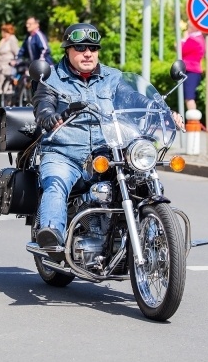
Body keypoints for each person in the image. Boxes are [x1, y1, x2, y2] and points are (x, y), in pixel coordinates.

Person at [33, 23, 183, 248]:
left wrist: (163, 111)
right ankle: (52, 234)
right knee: (56, 182)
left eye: (93, 48)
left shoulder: (112, 77)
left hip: (108, 151)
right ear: (67, 50)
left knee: (141, 176)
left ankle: (155, 232)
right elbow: (43, 108)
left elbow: (133, 98)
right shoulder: (51, 80)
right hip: (65, 153)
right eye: (80, 47)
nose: (87, 53)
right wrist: (51, 117)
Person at [11, 16, 53, 107]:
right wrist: (16, 59)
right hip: (35, 66)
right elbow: (22, 50)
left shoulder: (38, 35)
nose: (27, 25)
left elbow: (45, 49)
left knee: (43, 88)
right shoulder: (29, 37)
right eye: (27, 23)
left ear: (36, 25)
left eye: (29, 24)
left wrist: (39, 63)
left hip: (44, 65)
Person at [181, 21, 205, 111]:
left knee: (189, 97)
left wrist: (184, 38)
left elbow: (181, 49)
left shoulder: (193, 39)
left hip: (191, 71)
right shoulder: (200, 38)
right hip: (194, 71)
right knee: (190, 97)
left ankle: (193, 123)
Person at [0, 23, 19, 101]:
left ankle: (8, 103)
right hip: (1, 67)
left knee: (8, 87)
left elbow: (17, 53)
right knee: (2, 87)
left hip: (8, 66)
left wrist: (15, 62)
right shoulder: (3, 40)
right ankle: (4, 102)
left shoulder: (12, 39)